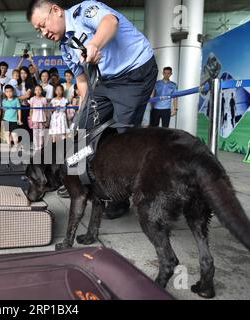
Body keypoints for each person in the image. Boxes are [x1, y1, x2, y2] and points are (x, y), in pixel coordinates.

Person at [27, 0, 158, 218]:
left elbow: (110, 22)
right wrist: (83, 113)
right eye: (38, 31)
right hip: (106, 81)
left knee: (122, 138)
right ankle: (80, 183)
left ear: (56, 10)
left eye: (42, 25)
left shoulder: (83, 12)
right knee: (81, 132)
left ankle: (120, 197)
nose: (43, 33)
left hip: (135, 71)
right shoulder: (65, 47)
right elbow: (82, 82)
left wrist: (95, 44)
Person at [28, 85, 47, 151]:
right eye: (36, 89)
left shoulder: (44, 99)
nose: (38, 91)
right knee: (35, 134)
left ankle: (41, 147)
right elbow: (31, 110)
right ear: (34, 91)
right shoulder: (32, 99)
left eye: (39, 89)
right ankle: (36, 148)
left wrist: (46, 119)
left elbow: (45, 110)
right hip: (34, 119)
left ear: (41, 91)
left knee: (41, 134)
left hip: (42, 119)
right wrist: (30, 119)